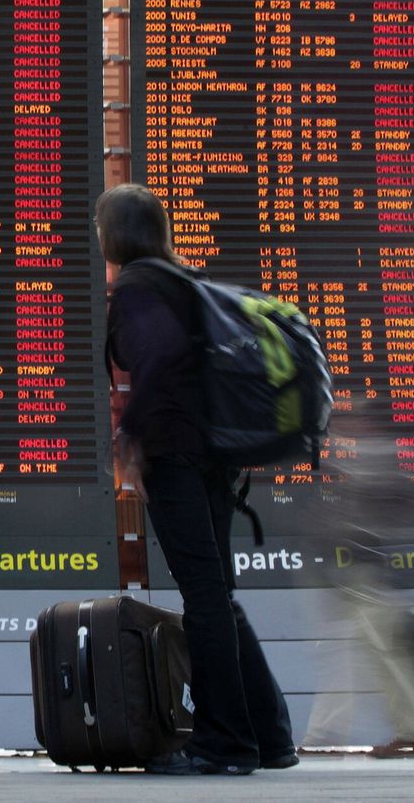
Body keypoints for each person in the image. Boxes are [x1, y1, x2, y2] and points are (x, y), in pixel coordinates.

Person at [95, 183, 297, 775]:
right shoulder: (183, 281)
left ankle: (224, 743)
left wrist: (130, 435)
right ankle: (269, 735)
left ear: (118, 232)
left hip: (176, 459)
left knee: (205, 602)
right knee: (218, 600)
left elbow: (156, 360)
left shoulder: (137, 286)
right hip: (212, 461)